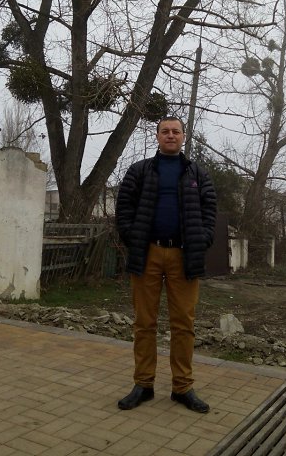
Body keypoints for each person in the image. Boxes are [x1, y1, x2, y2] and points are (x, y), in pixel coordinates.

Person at [115, 116, 217, 413]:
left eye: (176, 131)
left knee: (183, 324)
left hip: (184, 257)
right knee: (144, 323)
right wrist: (133, 237)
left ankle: (182, 387)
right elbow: (124, 207)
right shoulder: (139, 170)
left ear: (183, 136)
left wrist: (203, 238)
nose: (170, 135)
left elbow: (210, 208)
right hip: (147, 254)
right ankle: (143, 384)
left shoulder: (197, 173)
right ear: (157, 136)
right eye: (165, 131)